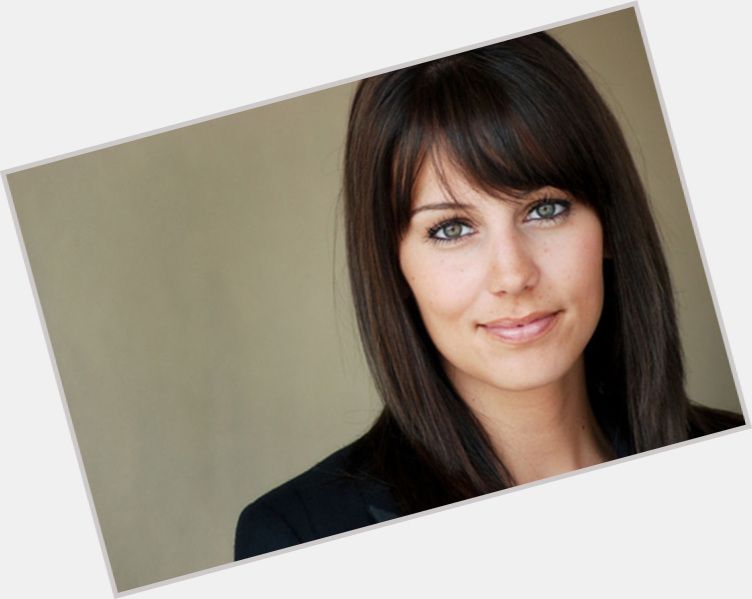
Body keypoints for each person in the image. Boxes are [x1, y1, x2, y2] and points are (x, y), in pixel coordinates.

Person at [234, 31, 743, 561]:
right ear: (393, 264)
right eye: (452, 229)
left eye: (545, 209)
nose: (513, 274)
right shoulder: (300, 536)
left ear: (609, 226)